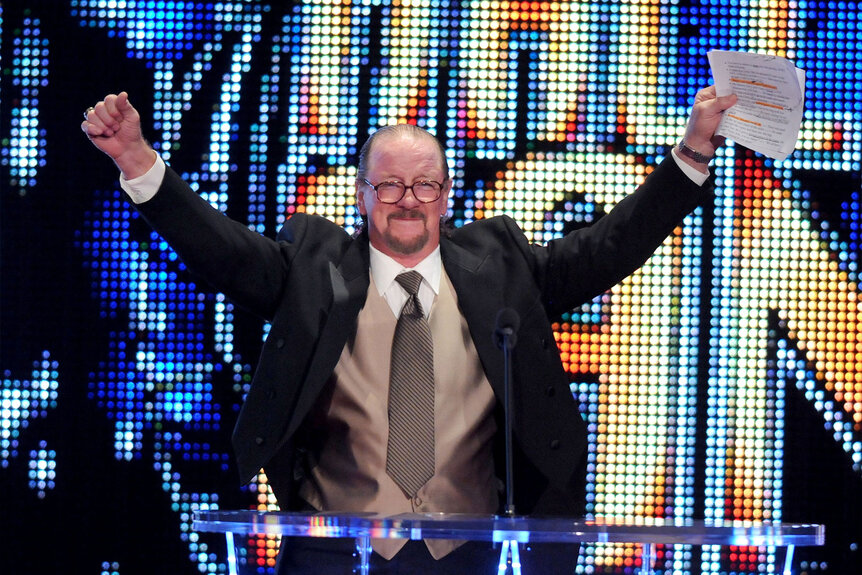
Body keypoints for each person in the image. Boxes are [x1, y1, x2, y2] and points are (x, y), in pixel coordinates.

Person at [81, 86, 737, 574]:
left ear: (448, 196)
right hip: (332, 552)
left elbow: (605, 249)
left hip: (466, 550)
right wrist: (138, 160)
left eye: (425, 185)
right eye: (388, 185)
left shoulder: (501, 267)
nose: (406, 199)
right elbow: (222, 250)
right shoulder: (313, 266)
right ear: (361, 195)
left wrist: (690, 153)